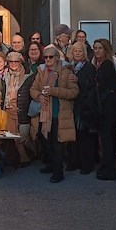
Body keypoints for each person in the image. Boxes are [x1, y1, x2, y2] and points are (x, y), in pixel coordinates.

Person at [29, 45, 79, 183]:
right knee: (45, 140)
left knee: (57, 144)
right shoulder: (41, 71)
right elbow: (33, 88)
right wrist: (39, 96)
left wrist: (54, 91)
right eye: (45, 57)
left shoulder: (66, 72)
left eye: (51, 57)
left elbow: (74, 92)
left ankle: (58, 172)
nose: (48, 60)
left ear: (57, 58)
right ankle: (51, 165)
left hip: (59, 113)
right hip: (45, 114)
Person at [66, 42, 97, 175]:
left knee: (85, 137)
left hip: (85, 107)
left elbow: (91, 85)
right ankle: (74, 161)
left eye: (79, 51)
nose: (77, 53)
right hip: (72, 106)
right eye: (75, 51)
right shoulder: (70, 67)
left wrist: (77, 79)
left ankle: (87, 164)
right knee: (74, 136)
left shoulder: (89, 67)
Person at [92, 39, 116, 180]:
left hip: (107, 106)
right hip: (102, 105)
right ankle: (106, 165)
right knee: (105, 138)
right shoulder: (98, 64)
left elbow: (102, 84)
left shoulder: (107, 64)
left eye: (100, 48)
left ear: (105, 50)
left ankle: (109, 170)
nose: (97, 51)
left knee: (107, 139)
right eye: (95, 48)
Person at [3, 51, 35, 166]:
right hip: (8, 109)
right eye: (11, 61)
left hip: (21, 109)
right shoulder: (5, 74)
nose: (13, 64)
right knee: (12, 135)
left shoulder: (28, 76)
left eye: (16, 61)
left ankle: (29, 155)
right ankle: (22, 158)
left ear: (20, 61)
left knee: (23, 136)